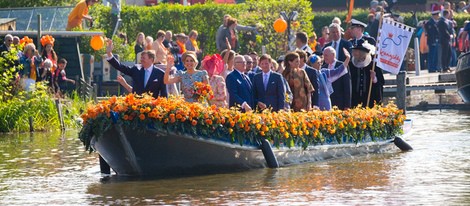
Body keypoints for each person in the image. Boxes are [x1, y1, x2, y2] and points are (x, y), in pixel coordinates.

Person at [323, 27, 353, 110]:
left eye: (326, 55)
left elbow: (347, 86)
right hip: (327, 102)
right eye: (324, 55)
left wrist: (347, 105)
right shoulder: (324, 67)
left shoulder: (341, 65)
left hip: (340, 102)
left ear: (333, 55)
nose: (324, 57)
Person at [348, 40, 384, 108]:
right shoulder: (350, 65)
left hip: (370, 98)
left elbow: (381, 82)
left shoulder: (373, 65)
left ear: (362, 52)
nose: (354, 53)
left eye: (356, 51)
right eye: (354, 51)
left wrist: (374, 79)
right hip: (354, 99)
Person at [425, 7, 442, 73]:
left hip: (436, 40)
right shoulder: (430, 23)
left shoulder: (435, 22)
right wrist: (433, 42)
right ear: (434, 15)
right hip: (432, 41)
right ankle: (431, 68)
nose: (438, 16)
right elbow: (431, 33)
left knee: (436, 55)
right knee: (432, 55)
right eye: (437, 15)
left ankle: (434, 67)